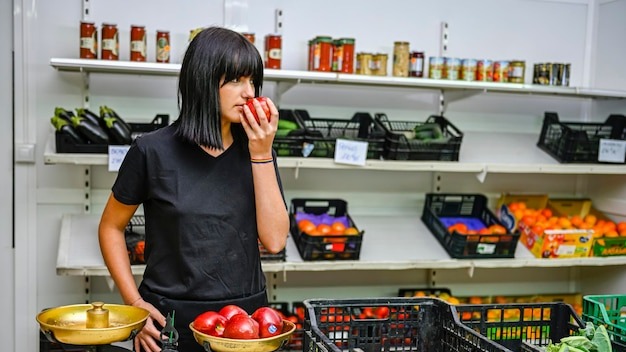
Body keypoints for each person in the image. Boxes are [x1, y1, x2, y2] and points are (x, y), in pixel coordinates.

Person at [98, 26, 290, 352]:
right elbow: (110, 227)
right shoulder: (151, 151)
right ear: (201, 80)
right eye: (235, 80)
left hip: (245, 321)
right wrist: (134, 305)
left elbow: (274, 241)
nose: (249, 92)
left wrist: (260, 154)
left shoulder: (258, 149)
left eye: (253, 82)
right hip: (169, 322)